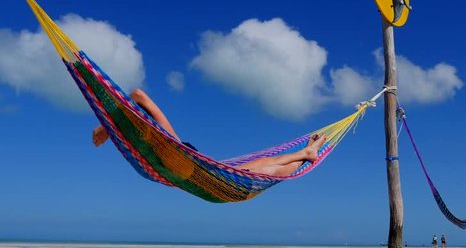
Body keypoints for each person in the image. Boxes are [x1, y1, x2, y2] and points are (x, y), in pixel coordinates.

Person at [92, 88, 327, 177]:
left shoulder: (166, 141)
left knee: (268, 168)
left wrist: (106, 126)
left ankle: (307, 152)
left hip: (200, 167)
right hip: (202, 172)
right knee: (265, 164)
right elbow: (134, 110)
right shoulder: (138, 142)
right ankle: (308, 152)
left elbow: (138, 94)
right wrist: (109, 129)